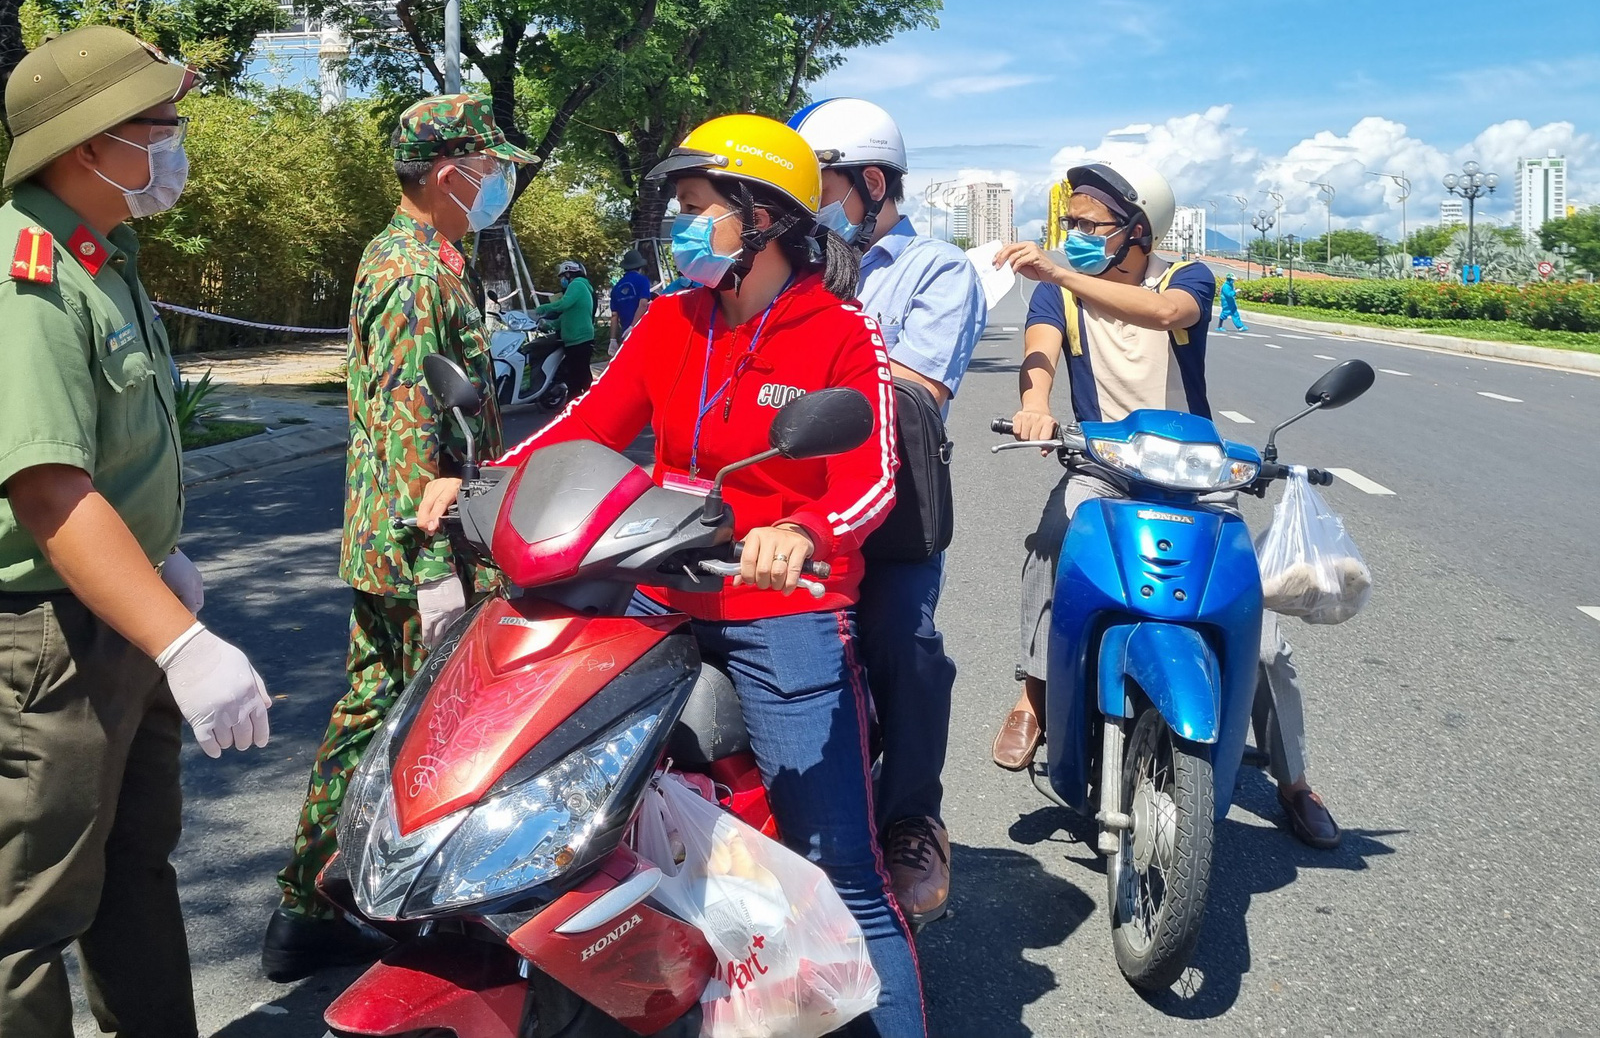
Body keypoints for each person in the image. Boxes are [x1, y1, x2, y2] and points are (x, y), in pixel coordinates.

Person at [426, 114, 926, 1038]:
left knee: (837, 863)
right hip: (655, 587)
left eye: (698, 208)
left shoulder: (841, 332)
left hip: (782, 607)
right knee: (573, 812)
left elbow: (872, 485)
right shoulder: (669, 319)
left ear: (765, 218)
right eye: (681, 210)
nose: (681, 227)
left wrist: (804, 535)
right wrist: (489, 483)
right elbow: (586, 427)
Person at [0, 26, 275, 1038]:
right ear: (86, 145)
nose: (176, 146)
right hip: (36, 639)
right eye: (158, 127)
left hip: (111, 613)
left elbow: (112, 466)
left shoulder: (98, 259)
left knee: (129, 869)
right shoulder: (20, 285)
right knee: (27, 915)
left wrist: (160, 574)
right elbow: (49, 496)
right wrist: (182, 641)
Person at [262, 93, 535, 979]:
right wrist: (435, 563)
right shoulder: (415, 270)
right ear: (451, 173)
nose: (497, 183)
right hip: (425, 538)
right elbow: (409, 418)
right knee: (437, 723)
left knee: (376, 711)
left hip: (407, 532)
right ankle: (424, 911)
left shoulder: (423, 255)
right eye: (490, 169)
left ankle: (311, 905)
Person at [990, 162, 1338, 849]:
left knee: (1259, 632)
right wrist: (1033, 404)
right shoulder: (1057, 297)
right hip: (1103, 463)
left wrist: (1060, 272)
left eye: (1092, 226)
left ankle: (1295, 780)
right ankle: (1034, 693)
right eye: (1072, 226)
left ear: (1139, 230)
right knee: (1052, 540)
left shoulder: (1187, 278)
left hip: (1197, 475)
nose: (1076, 237)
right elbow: (1040, 354)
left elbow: (1170, 316)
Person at [793, 97, 987, 925]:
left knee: (905, 643)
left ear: (871, 183)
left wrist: (824, 352)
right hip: (787, 500)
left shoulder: (939, 271)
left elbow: (917, 394)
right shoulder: (791, 261)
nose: (807, 211)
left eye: (820, 189)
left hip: (894, 512)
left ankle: (912, 815)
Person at [533, 259, 596, 396]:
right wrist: (548, 324)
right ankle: (581, 404)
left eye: (562, 276)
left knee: (580, 377)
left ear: (569, 274)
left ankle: (588, 405)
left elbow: (563, 304)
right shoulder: (579, 287)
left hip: (580, 339)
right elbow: (567, 316)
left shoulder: (577, 284)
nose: (562, 280)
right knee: (576, 377)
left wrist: (544, 308)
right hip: (575, 340)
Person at [608, 247, 654, 352]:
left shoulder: (616, 287)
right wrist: (633, 327)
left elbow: (614, 315)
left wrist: (613, 339)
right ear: (640, 267)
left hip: (625, 334)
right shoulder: (642, 280)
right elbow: (643, 304)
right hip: (643, 331)